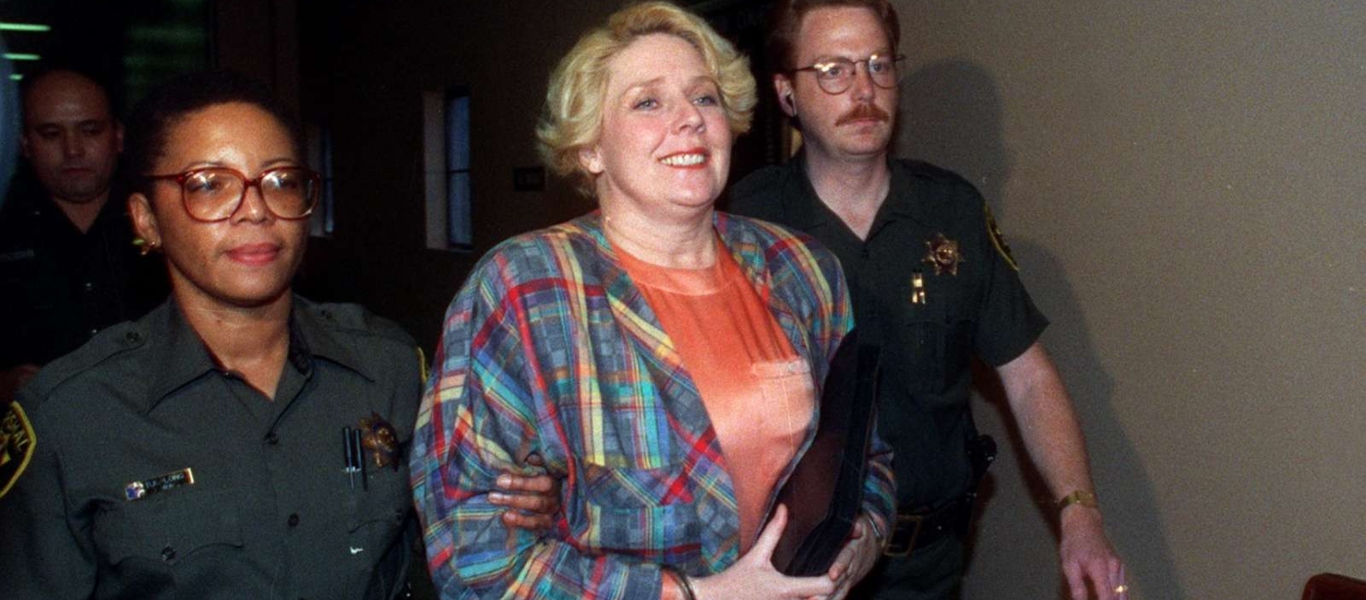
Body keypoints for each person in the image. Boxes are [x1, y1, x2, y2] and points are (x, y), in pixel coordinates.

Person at [0, 70, 557, 599]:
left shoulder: (388, 368)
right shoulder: (73, 416)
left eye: (280, 181)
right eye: (209, 185)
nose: (256, 210)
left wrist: (531, 509)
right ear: (146, 220)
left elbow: (452, 549)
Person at [410, 3, 895, 599]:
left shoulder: (803, 271)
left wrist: (864, 539)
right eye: (647, 102)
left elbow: (866, 458)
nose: (690, 119)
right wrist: (694, 595)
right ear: (590, 148)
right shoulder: (525, 290)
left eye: (705, 98)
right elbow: (471, 555)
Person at [727, 1, 1127, 599]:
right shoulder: (746, 224)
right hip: (796, 570)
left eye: (878, 65)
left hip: (929, 566)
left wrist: (1080, 514)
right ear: (787, 93)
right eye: (834, 70)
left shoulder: (951, 212)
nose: (864, 89)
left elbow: (1028, 378)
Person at [0, 68, 165, 403]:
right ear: (25, 144)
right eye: (51, 134)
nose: (72, 150)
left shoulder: (165, 220)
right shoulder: (7, 227)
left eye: (90, 131)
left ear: (118, 136)